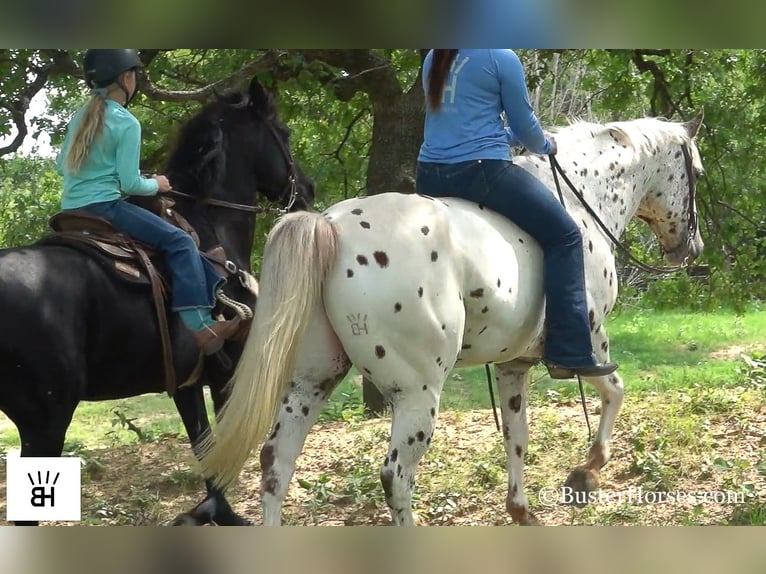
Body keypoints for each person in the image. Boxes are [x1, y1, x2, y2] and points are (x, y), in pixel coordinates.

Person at [415, 49, 618, 380]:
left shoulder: (436, 56)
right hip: (480, 172)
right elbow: (525, 125)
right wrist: (546, 145)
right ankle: (568, 350)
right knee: (565, 235)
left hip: (430, 175)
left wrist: (509, 137)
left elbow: (463, 123)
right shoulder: (499, 57)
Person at [56, 49, 241, 355]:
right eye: (134, 76)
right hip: (105, 208)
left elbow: (63, 166)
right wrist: (156, 183)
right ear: (126, 78)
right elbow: (130, 185)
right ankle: (200, 326)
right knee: (180, 242)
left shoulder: (80, 117)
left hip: (70, 210)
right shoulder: (126, 122)